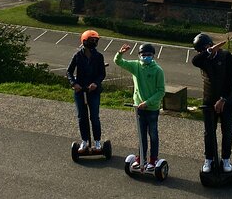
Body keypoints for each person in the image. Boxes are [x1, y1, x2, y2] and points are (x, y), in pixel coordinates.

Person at [114, 42, 165, 171]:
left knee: (153, 134)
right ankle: (140, 158)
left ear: (153, 56)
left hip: (152, 109)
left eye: (148, 55)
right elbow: (119, 62)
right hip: (138, 108)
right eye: (143, 55)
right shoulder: (136, 66)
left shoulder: (158, 70)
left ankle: (153, 160)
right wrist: (120, 53)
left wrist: (147, 102)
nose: (146, 57)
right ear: (139, 56)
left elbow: (161, 91)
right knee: (141, 135)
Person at [191, 33, 232, 174]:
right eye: (200, 51)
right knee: (209, 132)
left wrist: (223, 99)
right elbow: (194, 61)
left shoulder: (226, 56)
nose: (201, 53)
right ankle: (209, 159)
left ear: (209, 44)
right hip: (209, 100)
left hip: (227, 99)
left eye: (203, 49)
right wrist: (208, 51)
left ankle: (226, 159)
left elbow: (231, 79)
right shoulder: (203, 59)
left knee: (227, 131)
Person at [66, 30, 107, 153]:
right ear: (84, 41)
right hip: (80, 90)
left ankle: (97, 142)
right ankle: (84, 141)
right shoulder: (78, 56)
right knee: (81, 117)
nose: (94, 42)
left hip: (93, 91)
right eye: (92, 40)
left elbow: (102, 74)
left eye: (96, 40)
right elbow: (69, 71)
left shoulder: (99, 56)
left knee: (94, 117)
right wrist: (74, 83)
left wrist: (96, 83)